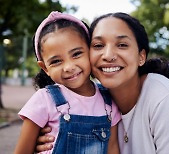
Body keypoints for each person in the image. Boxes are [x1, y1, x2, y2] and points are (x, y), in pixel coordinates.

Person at [36, 12, 169, 154]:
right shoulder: (93, 103)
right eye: (98, 46)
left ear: (141, 56)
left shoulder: (167, 100)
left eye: (122, 45)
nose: (109, 55)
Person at [14, 11, 121, 154]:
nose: (69, 67)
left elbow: (113, 149)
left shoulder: (109, 101)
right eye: (56, 61)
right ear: (45, 68)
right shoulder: (44, 99)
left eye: (76, 54)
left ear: (90, 50)